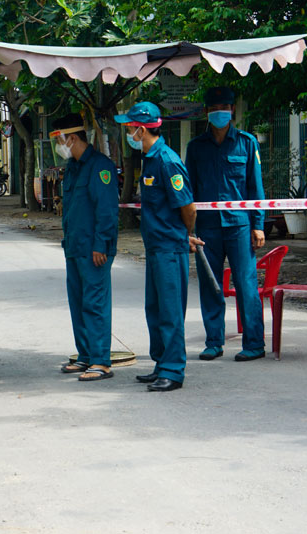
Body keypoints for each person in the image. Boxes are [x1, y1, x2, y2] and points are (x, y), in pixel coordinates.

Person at [115, 102, 202, 392]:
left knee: (170, 312)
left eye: (130, 128)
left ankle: (174, 370)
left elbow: (188, 208)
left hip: (168, 248)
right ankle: (161, 362)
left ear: (141, 130)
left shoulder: (167, 161)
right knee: (154, 309)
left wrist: (182, 234)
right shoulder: (149, 159)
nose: (128, 132)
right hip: (155, 248)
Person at [186, 87, 266, 362]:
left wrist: (259, 224)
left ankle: (254, 343)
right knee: (210, 285)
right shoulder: (195, 147)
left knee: (246, 283)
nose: (219, 112)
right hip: (207, 227)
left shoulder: (246, 143)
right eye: (213, 107)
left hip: (240, 226)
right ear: (206, 112)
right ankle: (213, 342)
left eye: (224, 107)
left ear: (232, 110)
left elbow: (256, 187)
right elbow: (188, 191)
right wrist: (188, 230)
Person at [52, 113, 120, 382]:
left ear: (72, 138)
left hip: (95, 248)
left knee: (94, 303)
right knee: (78, 302)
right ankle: (86, 356)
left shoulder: (100, 167)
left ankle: (101, 361)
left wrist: (101, 243)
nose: (59, 146)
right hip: (74, 247)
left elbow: (106, 210)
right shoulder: (73, 167)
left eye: (59, 140)